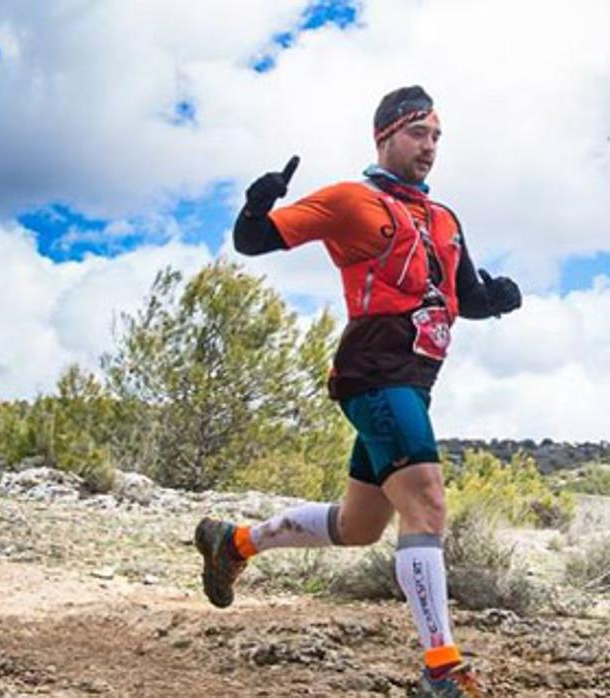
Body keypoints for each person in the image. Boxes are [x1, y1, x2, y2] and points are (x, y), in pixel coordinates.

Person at [194, 85, 521, 697]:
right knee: (426, 506)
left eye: (437, 137)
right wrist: (254, 206)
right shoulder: (351, 199)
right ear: (385, 135)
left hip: (415, 382)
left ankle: (232, 542)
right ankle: (441, 669)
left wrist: (496, 299)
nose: (430, 148)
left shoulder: (446, 219)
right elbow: (255, 239)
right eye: (419, 134)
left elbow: (465, 298)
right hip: (373, 371)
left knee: (360, 526)